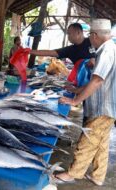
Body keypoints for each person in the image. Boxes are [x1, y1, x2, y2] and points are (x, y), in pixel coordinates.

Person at [53, 19, 116, 186]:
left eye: (91, 36)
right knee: (102, 144)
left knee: (86, 141)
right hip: (108, 107)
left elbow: (96, 81)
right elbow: (94, 82)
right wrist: (76, 91)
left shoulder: (106, 51)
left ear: (94, 35)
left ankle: (73, 174)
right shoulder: (109, 49)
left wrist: (75, 100)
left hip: (102, 107)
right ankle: (98, 176)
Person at [28, 23, 95, 67]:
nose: (68, 36)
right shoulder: (70, 50)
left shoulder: (92, 41)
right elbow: (50, 52)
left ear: (78, 32)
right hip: (82, 81)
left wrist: (94, 59)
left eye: (69, 33)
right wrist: (29, 51)